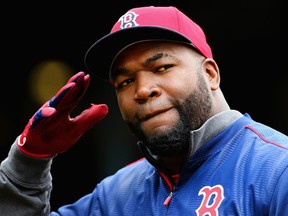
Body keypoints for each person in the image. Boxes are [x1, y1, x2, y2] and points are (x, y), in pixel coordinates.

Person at [0, 5, 287, 216]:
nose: (141, 90)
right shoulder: (116, 194)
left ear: (210, 74)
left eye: (162, 67)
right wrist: (27, 165)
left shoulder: (277, 170)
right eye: (125, 81)